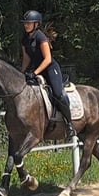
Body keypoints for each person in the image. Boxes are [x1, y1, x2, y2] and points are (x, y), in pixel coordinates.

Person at [20, 10, 77, 139]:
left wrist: (34, 73)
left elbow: (47, 59)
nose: (26, 25)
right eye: (25, 23)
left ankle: (70, 125)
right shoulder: (24, 39)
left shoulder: (41, 37)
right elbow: (26, 58)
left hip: (50, 69)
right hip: (36, 69)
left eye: (29, 23)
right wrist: (22, 73)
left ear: (36, 24)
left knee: (58, 93)